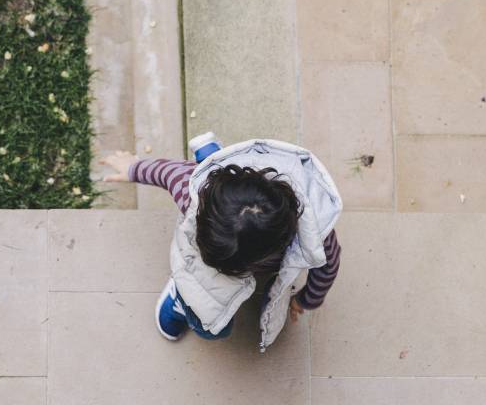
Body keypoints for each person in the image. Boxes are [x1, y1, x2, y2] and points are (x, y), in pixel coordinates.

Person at [101, 134, 342, 350]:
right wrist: (133, 168)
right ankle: (182, 294)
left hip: (233, 185)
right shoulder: (192, 191)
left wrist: (307, 299)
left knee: (270, 283)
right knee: (211, 324)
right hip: (221, 179)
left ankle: (211, 156)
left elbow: (328, 266)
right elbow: (166, 172)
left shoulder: (313, 237)